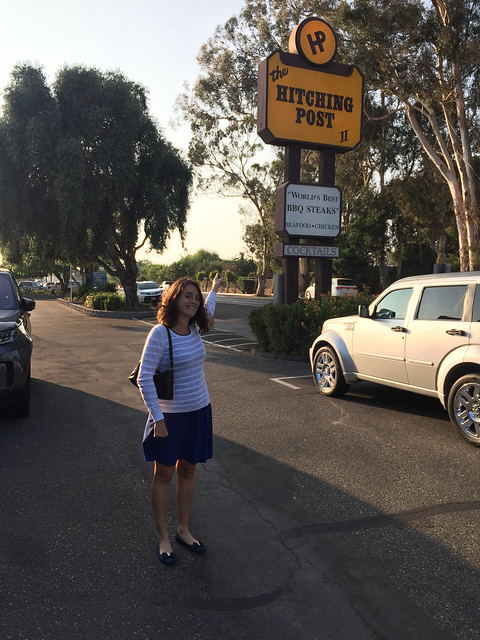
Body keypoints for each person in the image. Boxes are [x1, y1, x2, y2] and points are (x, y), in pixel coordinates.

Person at [137, 273, 225, 565]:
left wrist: (213, 289)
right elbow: (144, 377)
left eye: (196, 297)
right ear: (174, 298)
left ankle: (183, 530)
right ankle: (163, 536)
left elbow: (209, 310)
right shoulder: (160, 334)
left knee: (188, 471)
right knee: (164, 475)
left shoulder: (197, 328)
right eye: (187, 295)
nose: (194, 301)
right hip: (169, 418)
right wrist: (157, 417)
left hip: (199, 410)